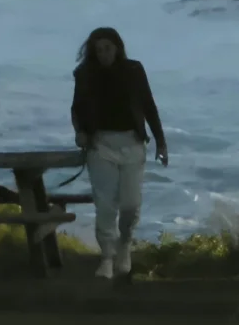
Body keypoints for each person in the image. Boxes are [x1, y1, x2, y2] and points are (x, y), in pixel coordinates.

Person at [70, 27, 168, 280]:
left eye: (108, 48)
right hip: (100, 144)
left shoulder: (134, 70)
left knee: (131, 204)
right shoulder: (84, 74)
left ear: (117, 48)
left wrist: (161, 142)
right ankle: (106, 258)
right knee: (105, 205)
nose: (103, 54)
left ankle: (125, 244)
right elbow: (77, 109)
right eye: (98, 50)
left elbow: (148, 106)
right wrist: (80, 132)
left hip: (133, 143)